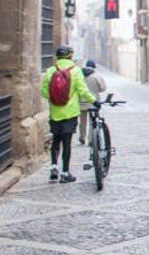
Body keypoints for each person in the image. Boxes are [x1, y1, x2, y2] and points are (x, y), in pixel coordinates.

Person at [41, 45, 98, 183]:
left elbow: (44, 92)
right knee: (67, 142)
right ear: (70, 56)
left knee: (56, 140)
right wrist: (94, 101)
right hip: (70, 112)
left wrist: (55, 99)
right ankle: (65, 172)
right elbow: (83, 90)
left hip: (55, 112)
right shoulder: (76, 71)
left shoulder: (50, 71)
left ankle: (54, 166)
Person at [79, 60, 107, 145]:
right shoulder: (96, 76)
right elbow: (103, 88)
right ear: (94, 67)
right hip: (93, 102)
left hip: (81, 101)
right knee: (92, 121)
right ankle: (91, 139)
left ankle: (82, 137)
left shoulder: (80, 75)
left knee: (82, 121)